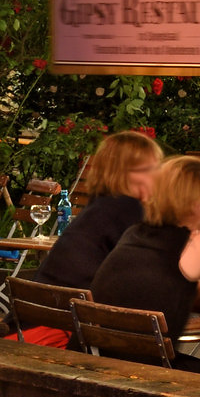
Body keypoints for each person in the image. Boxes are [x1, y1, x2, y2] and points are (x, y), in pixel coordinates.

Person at [90, 156, 200, 377]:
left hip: (99, 366)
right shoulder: (198, 245)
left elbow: (176, 290)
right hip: (148, 377)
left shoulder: (134, 233)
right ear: (197, 202)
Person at [17, 132, 163, 347]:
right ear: (124, 173)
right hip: (60, 339)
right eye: (149, 169)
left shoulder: (99, 207)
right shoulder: (129, 209)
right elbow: (164, 278)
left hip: (24, 332)